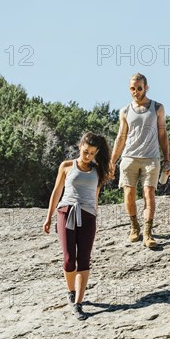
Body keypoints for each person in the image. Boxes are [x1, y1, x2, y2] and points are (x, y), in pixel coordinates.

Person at [43, 132, 111, 320]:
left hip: (88, 215)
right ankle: (70, 291)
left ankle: (78, 304)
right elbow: (56, 192)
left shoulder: (99, 171)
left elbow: (95, 196)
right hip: (66, 212)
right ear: (80, 145)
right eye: (85, 151)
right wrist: (49, 217)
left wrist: (95, 216)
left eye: (91, 153)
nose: (87, 155)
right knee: (68, 258)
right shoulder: (66, 166)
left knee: (84, 259)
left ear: (96, 153)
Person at [110, 73, 170, 249]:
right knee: (129, 196)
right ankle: (134, 227)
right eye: (133, 88)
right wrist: (112, 160)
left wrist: (166, 159)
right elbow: (121, 137)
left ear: (146, 87)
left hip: (151, 159)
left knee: (149, 194)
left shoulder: (157, 108)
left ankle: (148, 232)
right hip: (129, 158)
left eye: (139, 88)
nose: (136, 91)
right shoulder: (125, 111)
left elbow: (162, 134)